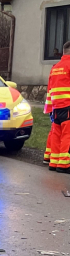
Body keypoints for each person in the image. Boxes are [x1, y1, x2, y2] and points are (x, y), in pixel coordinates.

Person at [43, 40, 70, 173]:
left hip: (56, 107)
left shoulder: (55, 67)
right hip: (68, 105)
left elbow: (50, 89)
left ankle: (54, 162)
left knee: (57, 134)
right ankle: (64, 164)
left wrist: (49, 108)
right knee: (67, 135)